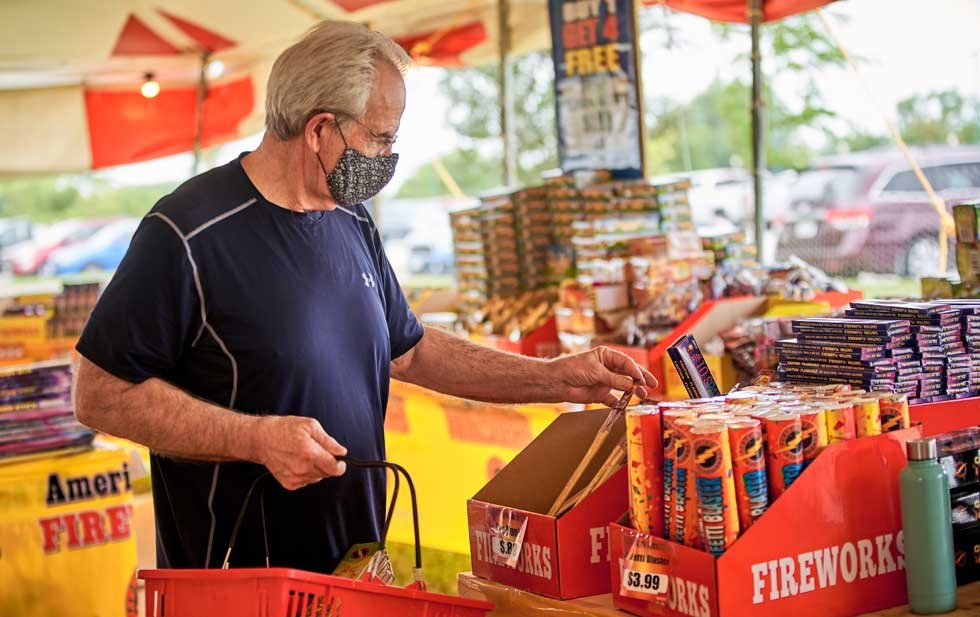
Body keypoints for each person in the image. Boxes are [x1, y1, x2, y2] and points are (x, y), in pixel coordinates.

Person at [72, 20, 656, 574]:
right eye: (380, 139)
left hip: (352, 566)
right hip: (239, 580)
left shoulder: (351, 219)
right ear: (320, 129)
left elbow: (411, 351)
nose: (388, 159)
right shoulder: (188, 233)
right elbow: (98, 394)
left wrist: (554, 377)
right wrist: (253, 439)